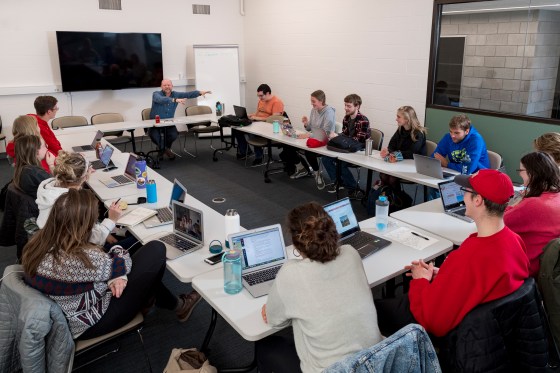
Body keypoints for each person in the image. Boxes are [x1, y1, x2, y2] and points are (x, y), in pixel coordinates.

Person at [22, 189, 201, 340]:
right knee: (156, 249)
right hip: (91, 321)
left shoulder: (38, 243)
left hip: (69, 311)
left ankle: (158, 300)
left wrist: (115, 270)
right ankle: (176, 306)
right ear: (83, 226)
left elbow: (108, 261)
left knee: (137, 257)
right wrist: (117, 266)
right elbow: (120, 258)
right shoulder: (82, 259)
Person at [375, 170, 529, 338]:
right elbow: (484, 280)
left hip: (457, 334)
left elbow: (434, 323)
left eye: (465, 192)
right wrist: (446, 274)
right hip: (493, 331)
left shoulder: (469, 257)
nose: (462, 197)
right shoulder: (515, 241)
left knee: (373, 308)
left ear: (478, 200)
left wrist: (420, 281)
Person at [259, 202, 382, 373]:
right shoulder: (350, 253)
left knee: (266, 347)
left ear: (296, 243)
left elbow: (274, 320)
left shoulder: (290, 273)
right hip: (376, 363)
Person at [35, 151, 129, 249]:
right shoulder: (73, 204)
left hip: (47, 247)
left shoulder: (48, 189)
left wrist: (102, 229)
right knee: (136, 242)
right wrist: (112, 220)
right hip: (71, 252)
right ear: (85, 176)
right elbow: (95, 239)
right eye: (90, 168)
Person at [504, 152, 560, 277]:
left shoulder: (533, 205)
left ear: (532, 174)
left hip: (527, 266)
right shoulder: (556, 197)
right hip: (549, 265)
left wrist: (517, 202)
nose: (519, 174)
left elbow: (498, 221)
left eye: (521, 170)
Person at [283, 90, 335, 190]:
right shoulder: (314, 110)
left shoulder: (329, 112)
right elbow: (310, 128)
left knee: (308, 151)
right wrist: (306, 124)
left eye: (313, 101)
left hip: (325, 141)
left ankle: (317, 174)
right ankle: (301, 168)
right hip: (314, 138)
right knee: (288, 145)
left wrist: (308, 135)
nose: (311, 103)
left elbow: (325, 133)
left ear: (321, 101)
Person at [149, 79, 211, 159]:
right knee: (154, 136)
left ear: (172, 86)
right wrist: (174, 100)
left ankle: (162, 149)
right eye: (165, 85)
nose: (167, 87)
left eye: (169, 85)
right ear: (161, 86)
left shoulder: (175, 94)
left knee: (174, 134)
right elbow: (160, 100)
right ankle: (165, 149)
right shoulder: (156, 94)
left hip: (169, 123)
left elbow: (188, 94)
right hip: (155, 124)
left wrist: (199, 93)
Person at [322, 94, 371, 195]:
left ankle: (353, 187)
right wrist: (336, 136)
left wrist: (339, 137)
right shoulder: (346, 118)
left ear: (357, 106)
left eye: (349, 106)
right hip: (347, 147)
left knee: (341, 163)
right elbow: (345, 134)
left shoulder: (363, 120)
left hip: (359, 150)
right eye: (345, 105)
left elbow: (359, 140)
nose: (346, 108)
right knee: (325, 159)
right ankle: (338, 182)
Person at [377, 106, 427, 189]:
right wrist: (388, 151)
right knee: (383, 175)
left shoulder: (418, 133)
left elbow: (412, 153)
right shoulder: (401, 129)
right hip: (400, 161)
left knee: (392, 179)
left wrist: (393, 153)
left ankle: (401, 200)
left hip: (413, 165)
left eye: (398, 117)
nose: (396, 119)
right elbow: (391, 145)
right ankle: (391, 198)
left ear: (407, 119)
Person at [235, 84, 285, 166]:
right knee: (238, 129)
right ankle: (246, 152)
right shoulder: (261, 101)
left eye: (261, 96)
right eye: (258, 96)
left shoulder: (277, 102)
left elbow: (274, 120)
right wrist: (251, 115)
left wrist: (257, 118)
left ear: (268, 93)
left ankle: (259, 156)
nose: (260, 98)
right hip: (257, 123)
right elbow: (258, 113)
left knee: (252, 132)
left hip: (268, 127)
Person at [13, 135, 55, 199]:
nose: (47, 148)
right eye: (45, 146)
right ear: (37, 152)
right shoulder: (36, 173)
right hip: (42, 206)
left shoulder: (24, 169)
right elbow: (56, 189)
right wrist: (51, 164)